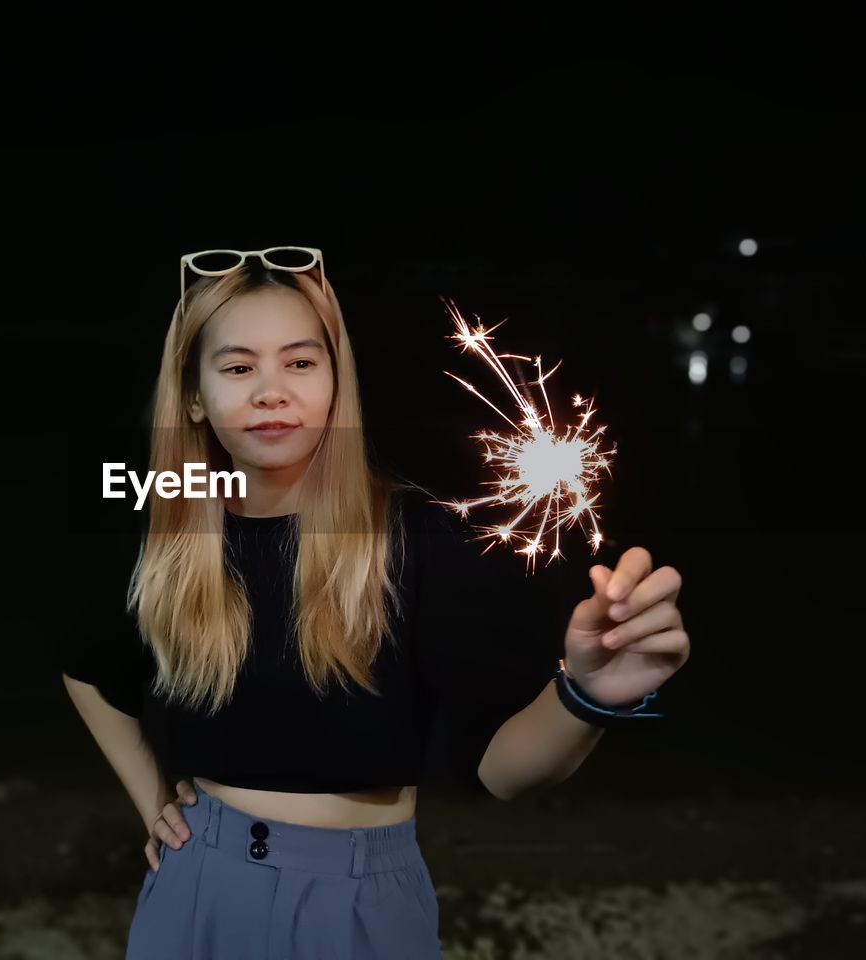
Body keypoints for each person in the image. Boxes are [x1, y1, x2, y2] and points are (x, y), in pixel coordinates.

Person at [61, 247, 690, 959]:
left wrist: (589, 693)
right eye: (238, 367)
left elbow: (503, 770)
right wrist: (154, 804)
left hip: (360, 903)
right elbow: (88, 671)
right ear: (196, 396)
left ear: (337, 382)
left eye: (301, 363)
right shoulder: (164, 534)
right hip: (194, 888)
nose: (272, 390)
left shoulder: (418, 541)